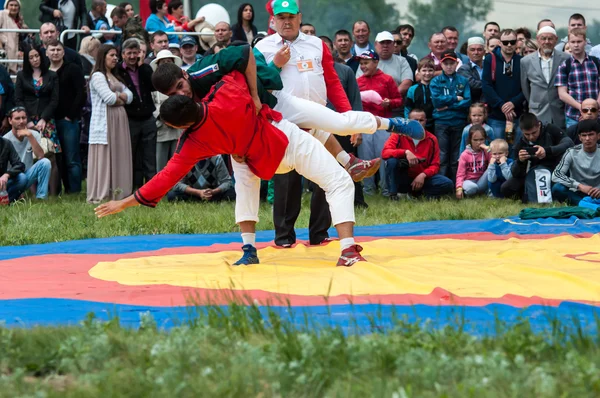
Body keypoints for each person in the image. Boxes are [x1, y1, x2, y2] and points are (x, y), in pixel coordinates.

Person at [95, 70, 368, 267]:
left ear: (180, 127)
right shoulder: (226, 91)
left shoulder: (192, 142)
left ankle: (249, 247)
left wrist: (126, 202)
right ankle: (347, 249)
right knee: (338, 182)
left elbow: (166, 177)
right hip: (282, 140)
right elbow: (242, 59)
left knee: (245, 182)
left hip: (254, 160)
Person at [87, 44, 133, 204]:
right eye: (112, 55)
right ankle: (103, 193)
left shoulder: (115, 76)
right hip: (105, 121)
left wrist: (119, 95)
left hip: (119, 120)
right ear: (103, 56)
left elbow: (131, 95)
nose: (116, 58)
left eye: (116, 55)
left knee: (119, 153)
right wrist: (121, 96)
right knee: (106, 155)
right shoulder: (98, 76)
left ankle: (120, 191)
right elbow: (109, 99)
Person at [15, 45, 60, 195]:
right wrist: (27, 121)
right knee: (30, 157)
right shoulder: (21, 76)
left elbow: (54, 100)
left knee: (50, 156)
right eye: (31, 57)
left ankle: (52, 194)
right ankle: (35, 194)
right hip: (27, 122)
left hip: (46, 121)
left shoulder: (52, 75)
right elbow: (19, 99)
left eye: (37, 56)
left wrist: (43, 119)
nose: (35, 59)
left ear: (41, 56)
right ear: (27, 60)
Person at [356, 49, 402, 196]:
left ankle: (386, 189)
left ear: (376, 62)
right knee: (366, 158)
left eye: (366, 63)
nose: (363, 66)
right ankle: (368, 190)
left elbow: (399, 100)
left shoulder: (387, 79)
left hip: (382, 124)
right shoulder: (358, 82)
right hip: (365, 124)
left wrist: (389, 102)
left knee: (383, 156)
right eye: (361, 63)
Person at [383, 108, 453, 200]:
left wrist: (423, 175)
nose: (419, 123)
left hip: (422, 178)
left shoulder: (432, 139)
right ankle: (394, 195)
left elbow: (435, 165)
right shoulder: (398, 134)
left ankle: (418, 195)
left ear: (426, 121)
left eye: (421, 120)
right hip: (403, 176)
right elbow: (385, 153)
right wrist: (405, 152)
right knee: (391, 161)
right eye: (415, 120)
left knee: (448, 184)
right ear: (408, 121)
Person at [501, 113, 573, 200]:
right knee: (506, 188)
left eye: (534, 133)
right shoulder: (520, 142)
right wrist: (520, 161)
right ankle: (528, 194)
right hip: (533, 173)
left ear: (539, 125)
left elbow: (569, 143)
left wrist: (547, 150)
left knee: (558, 187)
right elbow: (515, 173)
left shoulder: (550, 129)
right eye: (527, 134)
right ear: (522, 130)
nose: (531, 137)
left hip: (555, 169)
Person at [116, 38, 157, 189]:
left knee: (150, 156)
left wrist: (143, 68)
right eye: (129, 53)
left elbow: (153, 87)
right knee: (132, 156)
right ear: (123, 54)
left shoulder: (145, 69)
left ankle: (152, 189)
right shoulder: (118, 71)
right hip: (130, 119)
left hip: (147, 118)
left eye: (135, 53)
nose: (132, 56)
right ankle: (135, 189)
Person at [47, 39, 85, 194]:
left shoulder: (73, 69)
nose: (55, 52)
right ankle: (57, 191)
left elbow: (81, 94)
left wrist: (71, 115)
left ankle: (74, 191)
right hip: (50, 121)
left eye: (58, 50)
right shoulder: (45, 72)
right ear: (46, 52)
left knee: (72, 158)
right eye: (52, 50)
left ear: (63, 52)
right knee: (56, 159)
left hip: (68, 121)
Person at [430, 50, 471, 180]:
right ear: (441, 65)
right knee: (442, 156)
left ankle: (455, 185)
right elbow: (436, 101)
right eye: (445, 63)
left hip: (458, 122)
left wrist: (448, 105)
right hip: (441, 122)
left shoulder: (463, 81)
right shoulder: (436, 81)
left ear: (456, 63)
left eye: (451, 63)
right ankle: (442, 185)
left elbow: (467, 101)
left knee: (456, 156)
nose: (449, 66)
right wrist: (455, 98)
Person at [520, 26, 570, 130]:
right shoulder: (526, 61)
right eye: (543, 38)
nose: (547, 42)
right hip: (537, 111)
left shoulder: (566, 58)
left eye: (550, 38)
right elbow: (525, 87)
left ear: (556, 39)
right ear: (538, 39)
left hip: (559, 110)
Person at [482, 29, 525, 141]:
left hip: (517, 114)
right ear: (500, 43)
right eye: (505, 42)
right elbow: (486, 86)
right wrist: (502, 105)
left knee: (516, 151)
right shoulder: (490, 59)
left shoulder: (522, 61)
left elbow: (526, 87)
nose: (509, 45)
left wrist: (513, 103)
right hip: (497, 116)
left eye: (512, 42)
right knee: (498, 151)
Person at [2, 106, 51, 200]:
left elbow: (40, 156)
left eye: (23, 118)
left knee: (45, 162)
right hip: (11, 177)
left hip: (27, 174)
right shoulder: (5, 139)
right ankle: (13, 195)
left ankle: (41, 197)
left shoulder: (34, 134)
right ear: (10, 120)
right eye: (17, 118)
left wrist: (30, 136)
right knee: (21, 177)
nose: (21, 121)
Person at [555, 29, 600, 129]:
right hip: (574, 117)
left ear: (585, 42)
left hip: (596, 114)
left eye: (579, 41)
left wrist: (594, 108)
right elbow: (562, 94)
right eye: (573, 42)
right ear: (568, 44)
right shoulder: (564, 66)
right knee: (574, 144)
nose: (576, 45)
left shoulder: (596, 62)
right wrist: (582, 108)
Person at [552, 119, 600, 204]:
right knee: (557, 188)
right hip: (578, 192)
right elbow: (556, 175)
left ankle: (584, 205)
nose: (587, 139)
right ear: (580, 137)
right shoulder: (571, 152)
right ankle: (585, 204)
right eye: (584, 135)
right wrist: (579, 186)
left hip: (598, 193)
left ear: (598, 136)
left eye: (591, 135)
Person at [150, 49, 183, 172]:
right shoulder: (153, 84)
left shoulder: (179, 83)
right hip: (161, 128)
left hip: (178, 128)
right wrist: (163, 117)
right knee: (161, 165)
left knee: (178, 163)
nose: (165, 64)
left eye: (168, 62)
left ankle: (180, 189)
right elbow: (151, 105)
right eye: (163, 62)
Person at [167, 155, 235, 202]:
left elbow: (227, 182)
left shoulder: (217, 158)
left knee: (233, 193)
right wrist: (198, 192)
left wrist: (213, 192)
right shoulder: (185, 159)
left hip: (213, 193)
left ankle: (207, 198)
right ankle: (203, 198)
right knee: (171, 195)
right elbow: (177, 184)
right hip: (193, 193)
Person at [456, 125, 490, 199]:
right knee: (472, 187)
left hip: (482, 181)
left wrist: (488, 149)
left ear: (485, 139)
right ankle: (470, 193)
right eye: (475, 140)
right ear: (470, 140)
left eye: (481, 139)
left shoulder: (486, 151)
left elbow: (495, 161)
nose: (479, 142)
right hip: (469, 181)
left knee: (491, 168)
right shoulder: (464, 155)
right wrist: (459, 188)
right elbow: (460, 174)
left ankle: (482, 192)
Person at [405, 58, 435, 133]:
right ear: (418, 72)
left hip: (435, 124)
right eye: (424, 70)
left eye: (430, 70)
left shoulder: (437, 87)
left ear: (434, 71)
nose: (427, 73)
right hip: (417, 123)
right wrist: (408, 122)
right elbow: (408, 107)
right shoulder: (412, 89)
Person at [0, 0, 29, 73]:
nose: (13, 7)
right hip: (5, 52)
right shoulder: (2, 14)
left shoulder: (19, 19)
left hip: (18, 54)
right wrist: (1, 47)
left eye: (16, 5)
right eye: (11, 5)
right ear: (6, 6)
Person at [458, 37, 486, 103]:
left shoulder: (489, 66)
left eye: (479, 49)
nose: (476, 52)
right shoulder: (463, 69)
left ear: (484, 52)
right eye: (472, 50)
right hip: (472, 106)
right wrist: (490, 84)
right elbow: (472, 85)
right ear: (467, 52)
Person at [0, 132, 24, 202]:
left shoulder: (6, 143)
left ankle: (8, 200)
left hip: (3, 183)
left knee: (22, 178)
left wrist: (6, 175)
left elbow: (19, 164)